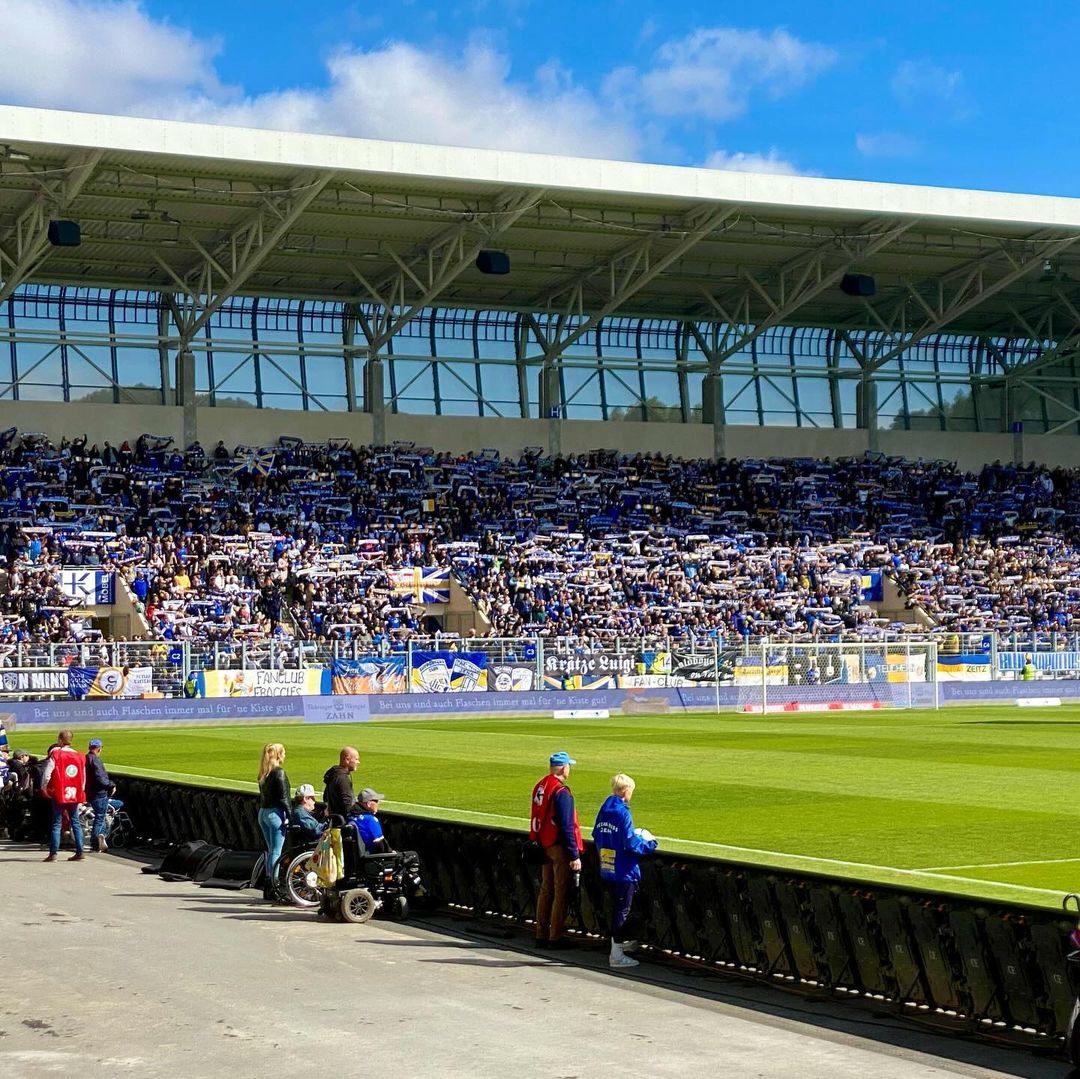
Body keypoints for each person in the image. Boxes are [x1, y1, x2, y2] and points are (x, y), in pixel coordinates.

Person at [593, 773, 658, 969]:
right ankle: (617, 954)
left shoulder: (604, 810)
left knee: (616, 907)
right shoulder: (623, 813)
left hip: (607, 866)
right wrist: (650, 845)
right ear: (626, 790)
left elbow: (596, 834)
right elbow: (630, 842)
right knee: (622, 910)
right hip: (623, 870)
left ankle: (621, 943)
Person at [529, 750, 583, 949]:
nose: (569, 769)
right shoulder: (561, 792)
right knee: (560, 892)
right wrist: (574, 854)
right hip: (558, 847)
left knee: (545, 890)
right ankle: (555, 936)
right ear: (563, 767)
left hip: (543, 844)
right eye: (568, 765)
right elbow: (567, 825)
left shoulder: (541, 786)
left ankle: (540, 933)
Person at [349, 787, 422, 889]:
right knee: (413, 856)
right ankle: (416, 892)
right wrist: (391, 853)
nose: (378, 804)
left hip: (361, 858)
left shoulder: (352, 818)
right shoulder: (370, 820)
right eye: (376, 801)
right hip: (373, 860)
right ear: (369, 804)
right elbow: (380, 844)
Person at [40, 729, 86, 862]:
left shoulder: (56, 754)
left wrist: (44, 788)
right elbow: (83, 777)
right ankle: (80, 850)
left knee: (56, 823)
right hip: (74, 793)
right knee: (75, 822)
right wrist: (80, 791)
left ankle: (53, 853)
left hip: (59, 792)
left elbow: (47, 773)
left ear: (60, 740)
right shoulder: (79, 756)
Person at [257, 742, 290, 900]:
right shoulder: (279, 772)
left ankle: (268, 884)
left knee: (271, 851)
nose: (284, 756)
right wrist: (290, 816)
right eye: (283, 753)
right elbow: (284, 798)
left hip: (263, 812)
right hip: (275, 814)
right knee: (276, 852)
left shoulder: (264, 773)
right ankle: (274, 886)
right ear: (278, 755)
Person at [84, 738, 116, 852]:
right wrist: (111, 785)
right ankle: (96, 840)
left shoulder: (86, 758)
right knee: (100, 817)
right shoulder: (96, 760)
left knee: (99, 816)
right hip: (99, 793)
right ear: (99, 749)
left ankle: (98, 839)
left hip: (90, 792)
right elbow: (100, 778)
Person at [323, 746, 359, 819]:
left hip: (334, 821)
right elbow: (348, 805)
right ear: (347, 759)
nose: (358, 762)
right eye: (356, 759)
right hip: (343, 823)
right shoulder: (343, 778)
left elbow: (325, 798)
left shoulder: (333, 775)